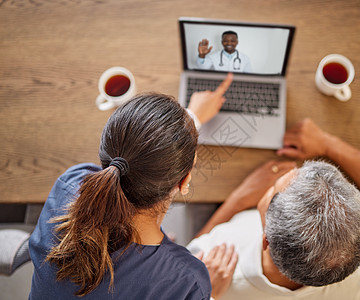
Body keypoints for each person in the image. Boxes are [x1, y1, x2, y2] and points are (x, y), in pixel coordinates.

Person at [29, 74, 239, 300]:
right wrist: (212, 294)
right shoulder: (187, 281)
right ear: (184, 182)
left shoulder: (71, 184)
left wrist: (191, 119)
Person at [187, 118, 360, 300]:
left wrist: (238, 200)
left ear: (266, 239)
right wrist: (327, 144)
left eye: (273, 190)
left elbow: (181, 259)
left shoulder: (205, 274)